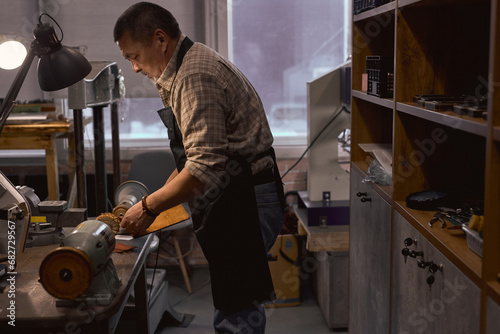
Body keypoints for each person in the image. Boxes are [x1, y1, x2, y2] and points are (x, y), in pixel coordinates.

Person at [114, 2, 285, 333]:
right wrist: (166, 193)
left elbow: (205, 168)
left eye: (133, 56)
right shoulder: (182, 67)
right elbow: (198, 153)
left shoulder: (194, 75)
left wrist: (148, 207)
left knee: (237, 304)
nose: (134, 68)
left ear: (159, 39)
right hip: (234, 193)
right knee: (233, 296)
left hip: (245, 199)